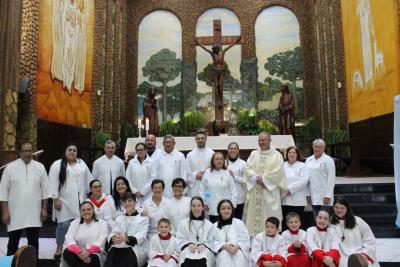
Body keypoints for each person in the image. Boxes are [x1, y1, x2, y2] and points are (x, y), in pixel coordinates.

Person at [0, 142, 50, 256]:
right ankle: (8, 265)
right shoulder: (10, 168)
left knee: (33, 243)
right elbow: (3, 192)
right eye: (25, 151)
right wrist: (5, 212)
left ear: (33, 152)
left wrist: (44, 209)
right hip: (15, 212)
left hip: (34, 212)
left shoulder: (40, 167)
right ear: (20, 153)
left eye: (30, 150)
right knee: (12, 243)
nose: (28, 153)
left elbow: (46, 190)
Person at [49, 143, 93, 259]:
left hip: (80, 200)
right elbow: (52, 182)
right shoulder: (57, 164)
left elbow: (89, 180)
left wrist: (93, 195)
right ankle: (59, 248)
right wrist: (55, 198)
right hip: (63, 200)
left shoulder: (81, 163)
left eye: (74, 150)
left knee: (79, 225)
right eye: (70, 150)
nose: (72, 152)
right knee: (64, 224)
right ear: (65, 151)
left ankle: (75, 248)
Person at [244, 132, 287, 237]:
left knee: (270, 218)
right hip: (255, 190)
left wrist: (264, 180)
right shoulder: (254, 154)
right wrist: (256, 178)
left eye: (263, 140)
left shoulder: (276, 155)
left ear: (269, 141)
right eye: (259, 140)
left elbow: (279, 172)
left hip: (269, 192)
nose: (261, 142)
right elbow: (247, 168)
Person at [331, 197, 379, 267]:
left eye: (342, 208)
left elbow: (370, 239)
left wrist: (364, 255)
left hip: (359, 252)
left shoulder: (358, 221)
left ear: (347, 208)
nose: (339, 210)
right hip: (340, 254)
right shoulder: (330, 222)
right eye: (336, 207)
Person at [106, 192, 149, 267]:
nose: (127, 203)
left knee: (126, 253)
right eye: (125, 201)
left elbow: (141, 236)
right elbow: (113, 232)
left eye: (129, 201)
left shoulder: (143, 219)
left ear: (135, 202)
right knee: (113, 250)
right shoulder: (119, 218)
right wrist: (113, 238)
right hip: (119, 246)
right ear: (122, 204)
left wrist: (126, 239)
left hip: (135, 248)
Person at [60, 201, 108, 267]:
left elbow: (101, 241)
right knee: (67, 253)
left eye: (89, 209)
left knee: (90, 261)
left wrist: (88, 252)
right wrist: (79, 253)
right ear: (80, 212)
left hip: (95, 253)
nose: (86, 212)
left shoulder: (102, 223)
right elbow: (69, 238)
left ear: (93, 211)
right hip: (78, 253)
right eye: (83, 210)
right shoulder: (75, 223)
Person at [176, 196, 215, 267]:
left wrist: (204, 245)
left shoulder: (209, 224)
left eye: (199, 206)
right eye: (193, 206)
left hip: (204, 251)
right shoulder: (183, 223)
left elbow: (211, 241)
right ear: (190, 208)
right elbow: (179, 239)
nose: (196, 208)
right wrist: (188, 244)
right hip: (188, 250)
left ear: (203, 208)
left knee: (203, 258)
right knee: (187, 258)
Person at [200, 152, 237, 223]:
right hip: (211, 207)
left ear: (223, 161)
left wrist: (232, 205)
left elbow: (233, 191)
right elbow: (202, 190)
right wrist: (204, 202)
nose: (219, 161)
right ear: (213, 161)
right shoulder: (207, 173)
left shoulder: (227, 172)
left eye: (221, 159)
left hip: (226, 208)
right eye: (217, 159)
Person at [213, 199, 250, 266]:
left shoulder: (239, 223)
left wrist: (237, 246)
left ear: (232, 210)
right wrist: (224, 246)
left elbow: (245, 238)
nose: (226, 210)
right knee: (224, 254)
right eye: (223, 208)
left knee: (239, 254)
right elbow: (213, 241)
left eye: (229, 208)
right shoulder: (214, 226)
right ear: (219, 211)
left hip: (237, 250)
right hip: (222, 252)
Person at [305, 139, 336, 217]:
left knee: (325, 220)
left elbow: (331, 179)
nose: (317, 149)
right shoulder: (308, 160)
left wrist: (328, 195)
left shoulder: (328, 160)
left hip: (325, 197)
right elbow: (305, 179)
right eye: (315, 147)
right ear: (312, 147)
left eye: (319, 147)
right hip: (313, 196)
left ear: (324, 148)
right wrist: (308, 194)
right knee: (317, 220)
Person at [282, 146, 309, 231]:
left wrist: (290, 189)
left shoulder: (302, 166)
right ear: (287, 154)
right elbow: (278, 179)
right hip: (284, 199)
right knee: (286, 223)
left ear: (297, 155)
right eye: (290, 152)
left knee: (297, 223)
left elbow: (304, 180)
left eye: (294, 152)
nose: (292, 154)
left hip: (298, 200)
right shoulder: (282, 166)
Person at [126, 142, 156, 207]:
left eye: (142, 149)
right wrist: (135, 191)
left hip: (148, 194)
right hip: (135, 194)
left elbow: (153, 179)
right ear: (136, 151)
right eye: (138, 150)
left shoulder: (151, 162)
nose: (140, 151)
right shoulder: (131, 162)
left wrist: (143, 192)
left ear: (145, 150)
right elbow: (128, 178)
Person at [186, 130, 214, 197]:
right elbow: (186, 172)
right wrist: (195, 175)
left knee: (207, 203)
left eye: (202, 138)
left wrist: (208, 172)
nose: (200, 140)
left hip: (208, 187)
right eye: (198, 138)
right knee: (194, 205)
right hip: (194, 186)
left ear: (206, 139)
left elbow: (217, 170)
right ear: (195, 139)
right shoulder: (190, 155)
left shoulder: (212, 154)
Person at [225, 142, 247, 220]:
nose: (233, 150)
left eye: (235, 149)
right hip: (226, 196)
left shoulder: (243, 163)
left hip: (239, 197)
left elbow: (246, 180)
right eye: (231, 148)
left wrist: (234, 177)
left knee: (238, 220)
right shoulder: (223, 163)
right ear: (228, 150)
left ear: (238, 150)